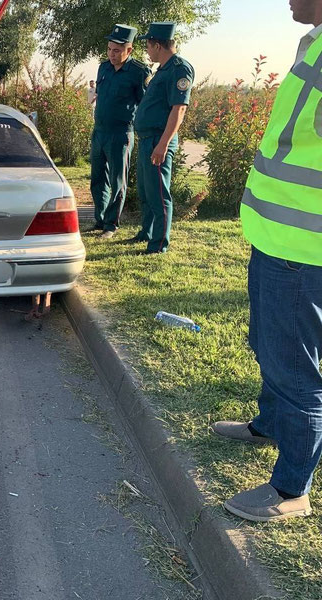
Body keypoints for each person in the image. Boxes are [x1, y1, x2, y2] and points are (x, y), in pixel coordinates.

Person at [211, 0, 322, 522]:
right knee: (268, 344)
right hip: (277, 237)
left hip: (306, 249)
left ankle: (290, 490)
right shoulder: (314, 43)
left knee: (296, 370)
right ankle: (270, 425)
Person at [131, 22, 193, 254]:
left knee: (159, 194)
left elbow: (179, 110)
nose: (146, 51)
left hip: (159, 140)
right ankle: (146, 233)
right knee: (147, 192)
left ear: (158, 45)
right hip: (148, 138)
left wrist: (163, 144)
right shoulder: (163, 69)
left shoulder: (179, 69)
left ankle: (158, 244)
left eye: (148, 46)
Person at [88, 25, 150, 239]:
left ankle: (111, 226)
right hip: (99, 132)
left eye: (116, 51)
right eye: (109, 49)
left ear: (129, 50)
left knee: (117, 181)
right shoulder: (103, 68)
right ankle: (100, 219)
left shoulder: (139, 72)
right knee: (97, 179)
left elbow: (145, 105)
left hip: (120, 133)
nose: (111, 55)